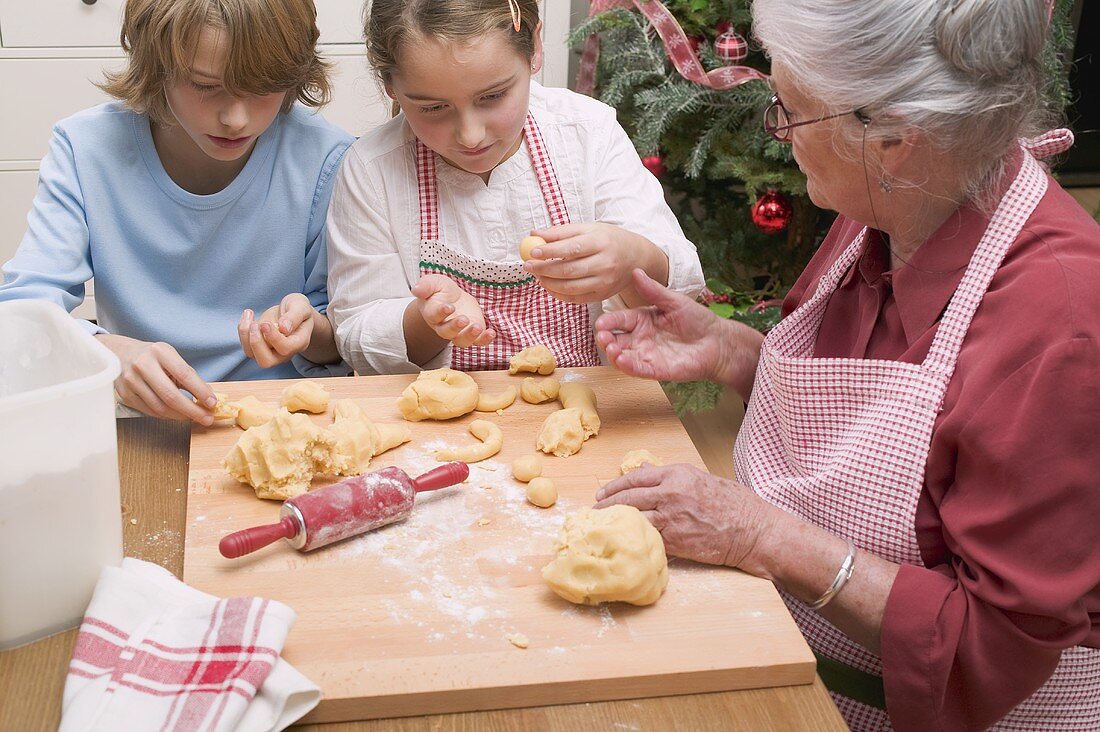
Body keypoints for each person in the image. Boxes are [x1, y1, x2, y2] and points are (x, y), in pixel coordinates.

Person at [592, 1, 1100, 729]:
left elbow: (992, 648)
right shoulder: (899, 202)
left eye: (791, 110)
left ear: (895, 136)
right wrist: (734, 350)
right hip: (799, 671)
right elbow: (897, 432)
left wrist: (761, 535)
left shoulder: (1063, 326)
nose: (779, 131)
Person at [0, 0, 354, 424]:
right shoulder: (85, 149)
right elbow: (23, 311)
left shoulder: (326, 158)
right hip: (138, 422)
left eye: (262, 88)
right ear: (155, 63)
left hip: (280, 419)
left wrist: (309, 331)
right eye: (205, 85)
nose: (236, 118)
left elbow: (341, 340)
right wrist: (110, 353)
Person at [324, 0, 705, 375]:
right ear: (390, 84)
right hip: (440, 430)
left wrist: (634, 260)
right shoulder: (372, 169)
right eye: (433, 108)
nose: (471, 136)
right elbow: (358, 336)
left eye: (492, 97)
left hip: (589, 406)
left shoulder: (587, 134)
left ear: (535, 49)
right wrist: (430, 320)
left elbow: (682, 292)